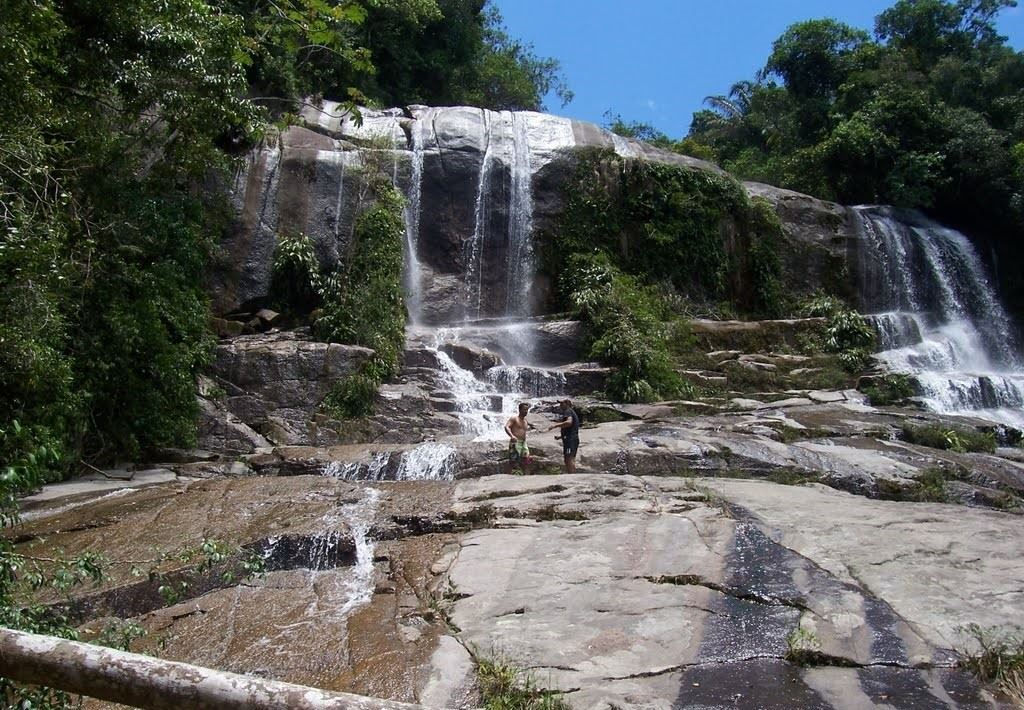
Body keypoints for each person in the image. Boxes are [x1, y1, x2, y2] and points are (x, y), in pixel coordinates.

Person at [547, 399, 580, 473]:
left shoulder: (568, 411)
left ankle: (571, 475)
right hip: (572, 438)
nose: (560, 405)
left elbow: (569, 422)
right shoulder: (571, 412)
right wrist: (560, 436)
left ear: (567, 404)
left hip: (570, 440)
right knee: (570, 458)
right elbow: (572, 428)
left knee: (568, 458)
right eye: (560, 403)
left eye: (562, 403)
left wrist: (555, 425)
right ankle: (572, 474)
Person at [503, 402, 532, 474]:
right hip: (515, 442)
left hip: (523, 443)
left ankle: (526, 477)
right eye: (524, 409)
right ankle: (507, 476)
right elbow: (507, 427)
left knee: (526, 460)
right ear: (519, 410)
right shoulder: (514, 418)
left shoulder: (525, 421)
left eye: (527, 410)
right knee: (513, 461)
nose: (526, 411)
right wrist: (512, 436)